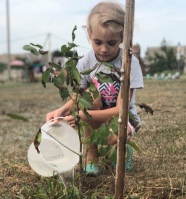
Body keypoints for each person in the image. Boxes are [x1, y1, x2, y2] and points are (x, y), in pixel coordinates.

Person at [46, 1, 144, 176]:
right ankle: (92, 156)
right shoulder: (86, 62)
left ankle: (121, 151)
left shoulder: (129, 63)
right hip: (96, 116)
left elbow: (120, 110)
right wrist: (62, 110)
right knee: (90, 95)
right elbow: (79, 96)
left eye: (111, 43)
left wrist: (82, 116)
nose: (104, 49)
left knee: (113, 136)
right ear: (89, 35)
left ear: (122, 38)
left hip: (123, 119)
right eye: (98, 42)